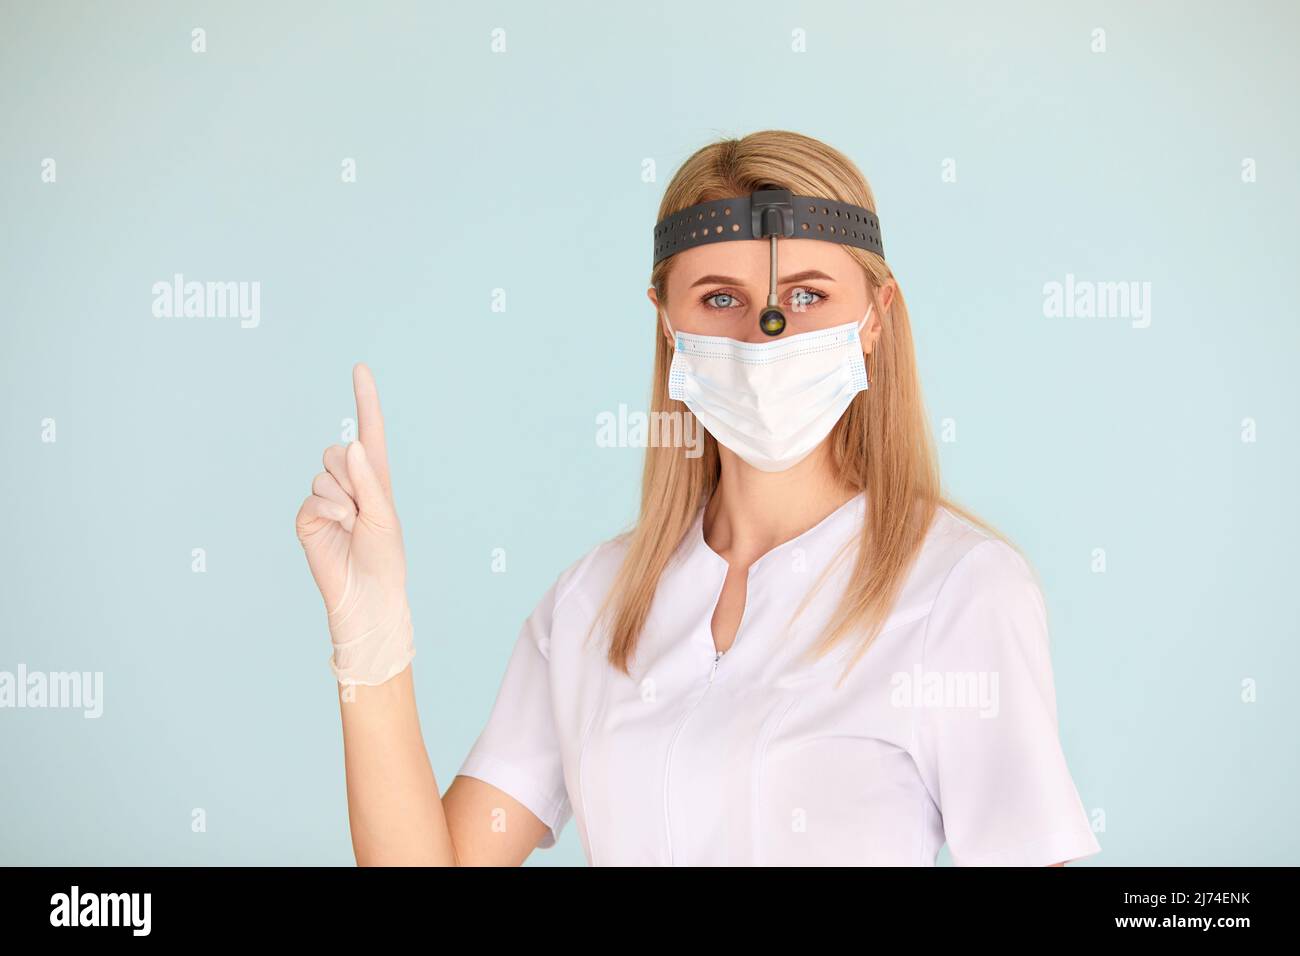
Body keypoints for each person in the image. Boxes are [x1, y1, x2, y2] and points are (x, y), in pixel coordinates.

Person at [294, 130, 1101, 867]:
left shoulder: (959, 591)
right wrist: (371, 645)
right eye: (720, 299)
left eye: (810, 297)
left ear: (876, 318)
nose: (766, 336)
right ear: (667, 323)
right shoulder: (594, 606)